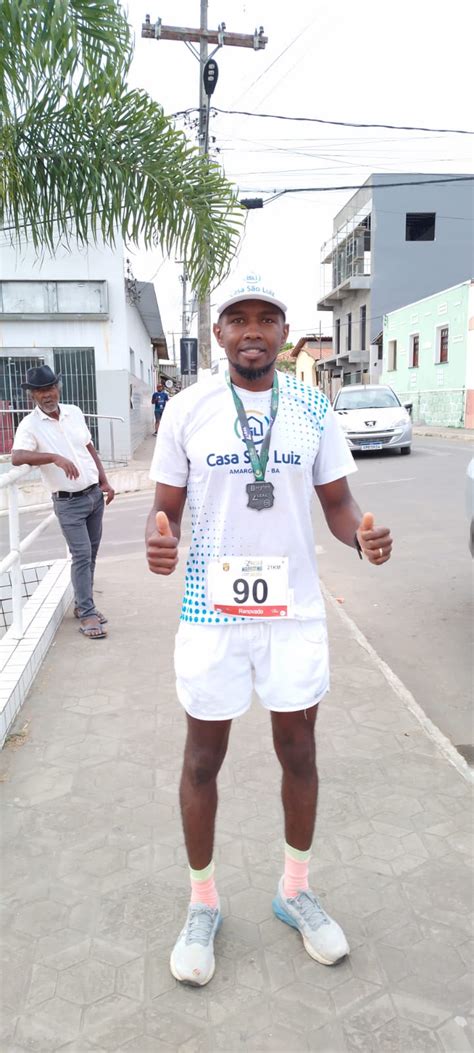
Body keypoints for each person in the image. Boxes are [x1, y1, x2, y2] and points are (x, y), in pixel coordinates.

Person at [145, 276, 392, 987]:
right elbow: (164, 510)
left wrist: (361, 540)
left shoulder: (313, 407)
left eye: (267, 319)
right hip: (211, 614)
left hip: (293, 613)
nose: (252, 331)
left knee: (300, 752)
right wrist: (159, 545)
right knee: (202, 759)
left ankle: (295, 890)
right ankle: (202, 903)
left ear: (284, 334)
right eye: (238, 319)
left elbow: (340, 502)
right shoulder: (188, 410)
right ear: (219, 333)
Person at [11, 365, 115, 640]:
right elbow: (17, 456)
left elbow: (88, 446)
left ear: (58, 387)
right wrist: (54, 457)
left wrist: (104, 480)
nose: (47, 394)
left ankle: (84, 605)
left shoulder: (74, 412)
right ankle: (88, 611)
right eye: (40, 391)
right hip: (68, 503)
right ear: (32, 395)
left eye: (51, 388)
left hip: (94, 495)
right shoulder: (30, 425)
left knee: (90, 555)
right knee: (80, 555)